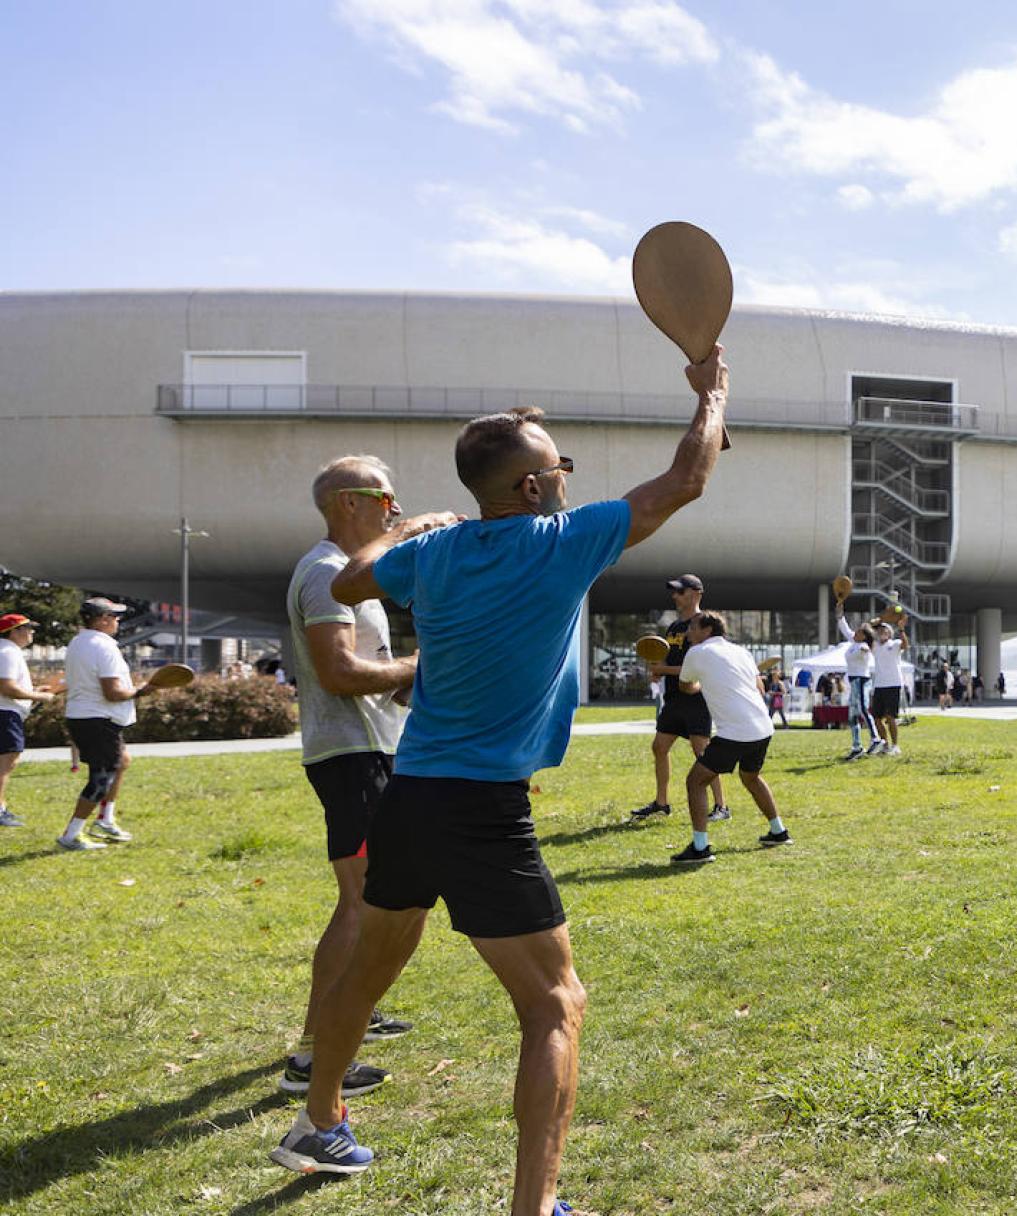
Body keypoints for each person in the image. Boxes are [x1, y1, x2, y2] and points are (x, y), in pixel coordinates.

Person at [268, 347, 727, 1216]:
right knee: (557, 1004)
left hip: (410, 791)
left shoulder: (434, 556)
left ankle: (318, 1119)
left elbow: (354, 573)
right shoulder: (560, 541)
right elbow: (685, 481)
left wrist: (415, 530)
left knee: (370, 968)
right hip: (480, 808)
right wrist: (713, 395)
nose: (565, 479)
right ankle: (534, 1209)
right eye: (559, 466)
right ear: (530, 488)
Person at [280, 455, 433, 1102]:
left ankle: (353, 1015)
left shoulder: (346, 579)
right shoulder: (323, 574)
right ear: (349, 502)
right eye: (386, 499)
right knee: (361, 903)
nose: (394, 511)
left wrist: (415, 674)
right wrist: (416, 666)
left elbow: (370, 680)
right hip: (351, 756)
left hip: (368, 749)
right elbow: (340, 675)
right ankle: (312, 1056)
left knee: (372, 900)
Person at [669, 611, 788, 864]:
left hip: (736, 732)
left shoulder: (697, 653)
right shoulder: (742, 652)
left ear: (707, 630)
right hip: (763, 728)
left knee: (695, 782)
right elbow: (759, 687)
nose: (688, 633)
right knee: (751, 777)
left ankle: (700, 848)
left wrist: (700, 685)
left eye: (692, 627)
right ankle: (778, 832)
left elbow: (685, 687)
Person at [632, 575, 729, 824]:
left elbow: (701, 667)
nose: (674, 596)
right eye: (674, 592)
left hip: (697, 697)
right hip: (674, 698)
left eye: (680, 592)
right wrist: (656, 670)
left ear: (696, 594)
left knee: (703, 753)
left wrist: (663, 671)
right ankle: (661, 803)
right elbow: (665, 658)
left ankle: (721, 805)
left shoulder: (704, 626)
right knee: (659, 747)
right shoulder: (674, 627)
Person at [59, 597, 152, 851]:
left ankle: (105, 819)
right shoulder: (105, 647)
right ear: (101, 620)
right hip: (99, 719)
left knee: (122, 761)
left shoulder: (78, 642)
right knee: (101, 780)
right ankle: (71, 836)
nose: (117, 621)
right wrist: (141, 691)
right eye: (114, 616)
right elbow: (112, 692)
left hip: (83, 716)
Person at [0, 613, 59, 828]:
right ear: (14, 631)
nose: (32, 632)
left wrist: (32, 691)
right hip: (5, 713)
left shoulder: (6, 650)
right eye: (27, 628)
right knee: (6, 762)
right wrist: (38, 696)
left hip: (6, 712)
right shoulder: (7, 652)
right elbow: (6, 687)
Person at [836, 609, 876, 758]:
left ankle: (875, 738)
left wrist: (865, 648)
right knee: (852, 715)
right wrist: (840, 613)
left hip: (861, 679)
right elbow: (844, 628)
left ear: (864, 637)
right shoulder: (854, 643)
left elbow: (866, 649)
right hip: (854, 681)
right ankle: (857, 746)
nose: (854, 633)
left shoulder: (862, 646)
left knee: (863, 710)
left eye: (858, 632)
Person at [869, 618, 909, 756]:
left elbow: (905, 645)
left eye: (884, 630)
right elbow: (866, 632)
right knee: (876, 718)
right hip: (879, 685)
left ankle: (895, 745)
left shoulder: (895, 644)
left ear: (889, 633)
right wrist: (875, 622)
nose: (881, 632)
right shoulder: (875, 647)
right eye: (879, 630)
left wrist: (902, 629)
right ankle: (885, 744)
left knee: (890, 717)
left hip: (893, 684)